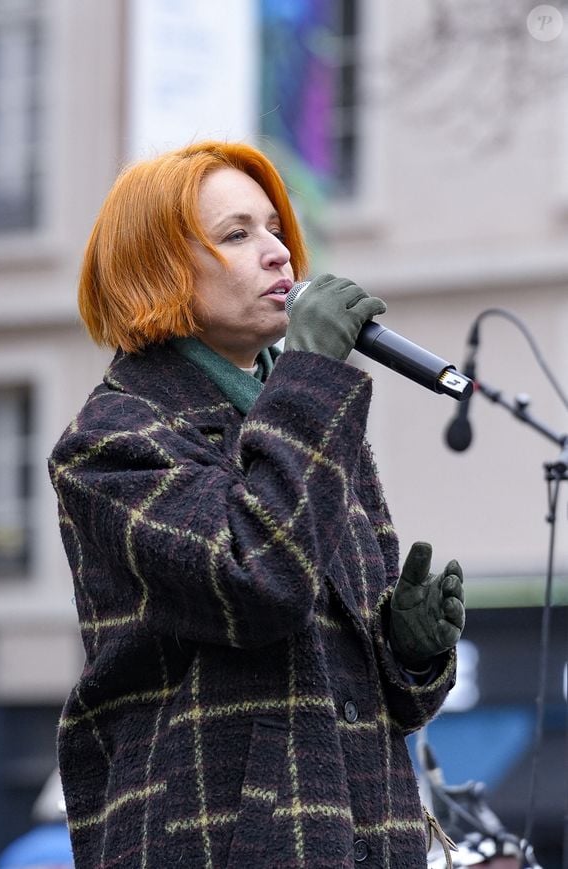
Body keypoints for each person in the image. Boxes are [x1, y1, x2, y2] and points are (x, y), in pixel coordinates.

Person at [48, 140, 465, 869]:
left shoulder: (307, 420)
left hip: (360, 835)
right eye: (237, 235)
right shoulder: (112, 438)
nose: (278, 253)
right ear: (157, 266)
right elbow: (258, 582)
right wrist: (310, 375)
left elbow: (370, 701)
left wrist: (408, 653)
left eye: (275, 228)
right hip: (216, 838)